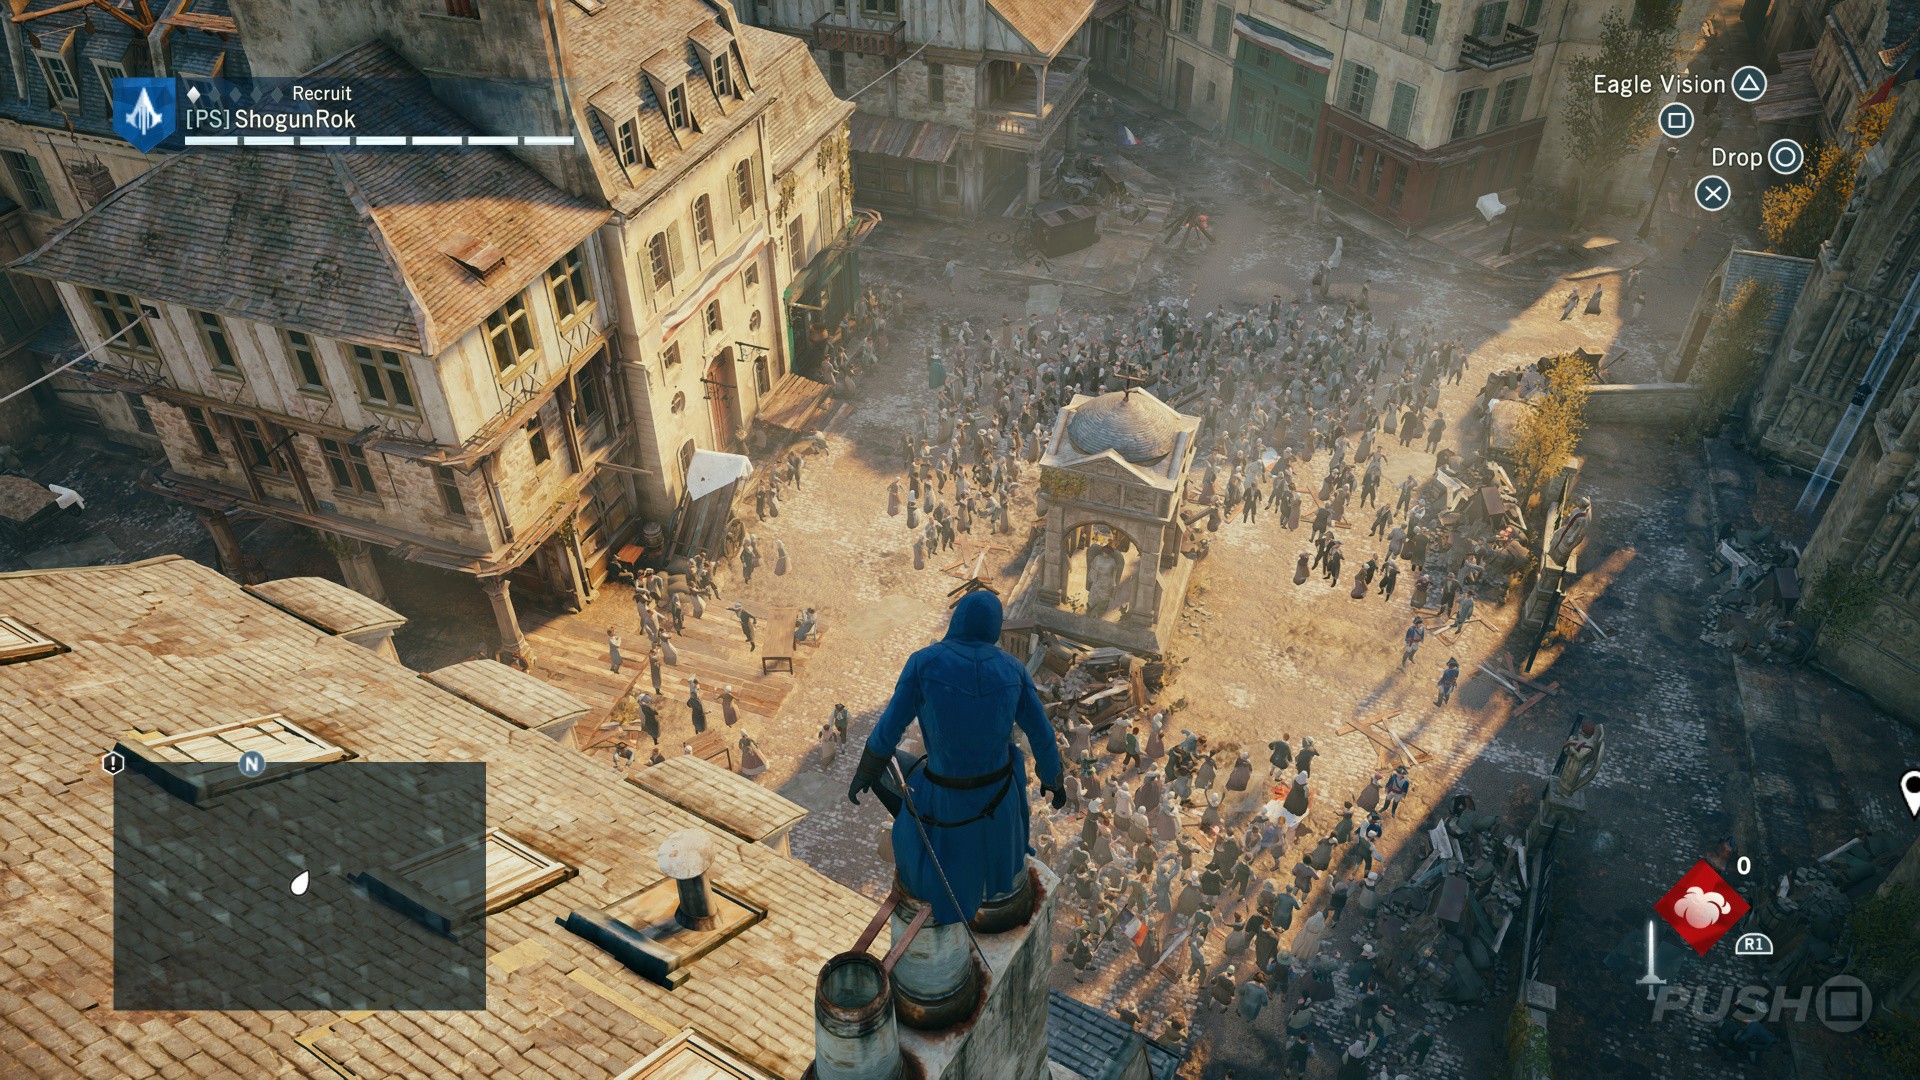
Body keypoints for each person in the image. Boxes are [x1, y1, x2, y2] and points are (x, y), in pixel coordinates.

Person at [846, 592, 1065, 926]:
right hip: (1000, 800)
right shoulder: (1014, 670)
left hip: (943, 797)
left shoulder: (922, 663)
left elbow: (887, 731)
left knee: (894, 770)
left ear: (957, 620)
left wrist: (865, 771)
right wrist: (1052, 779)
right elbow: (1042, 734)